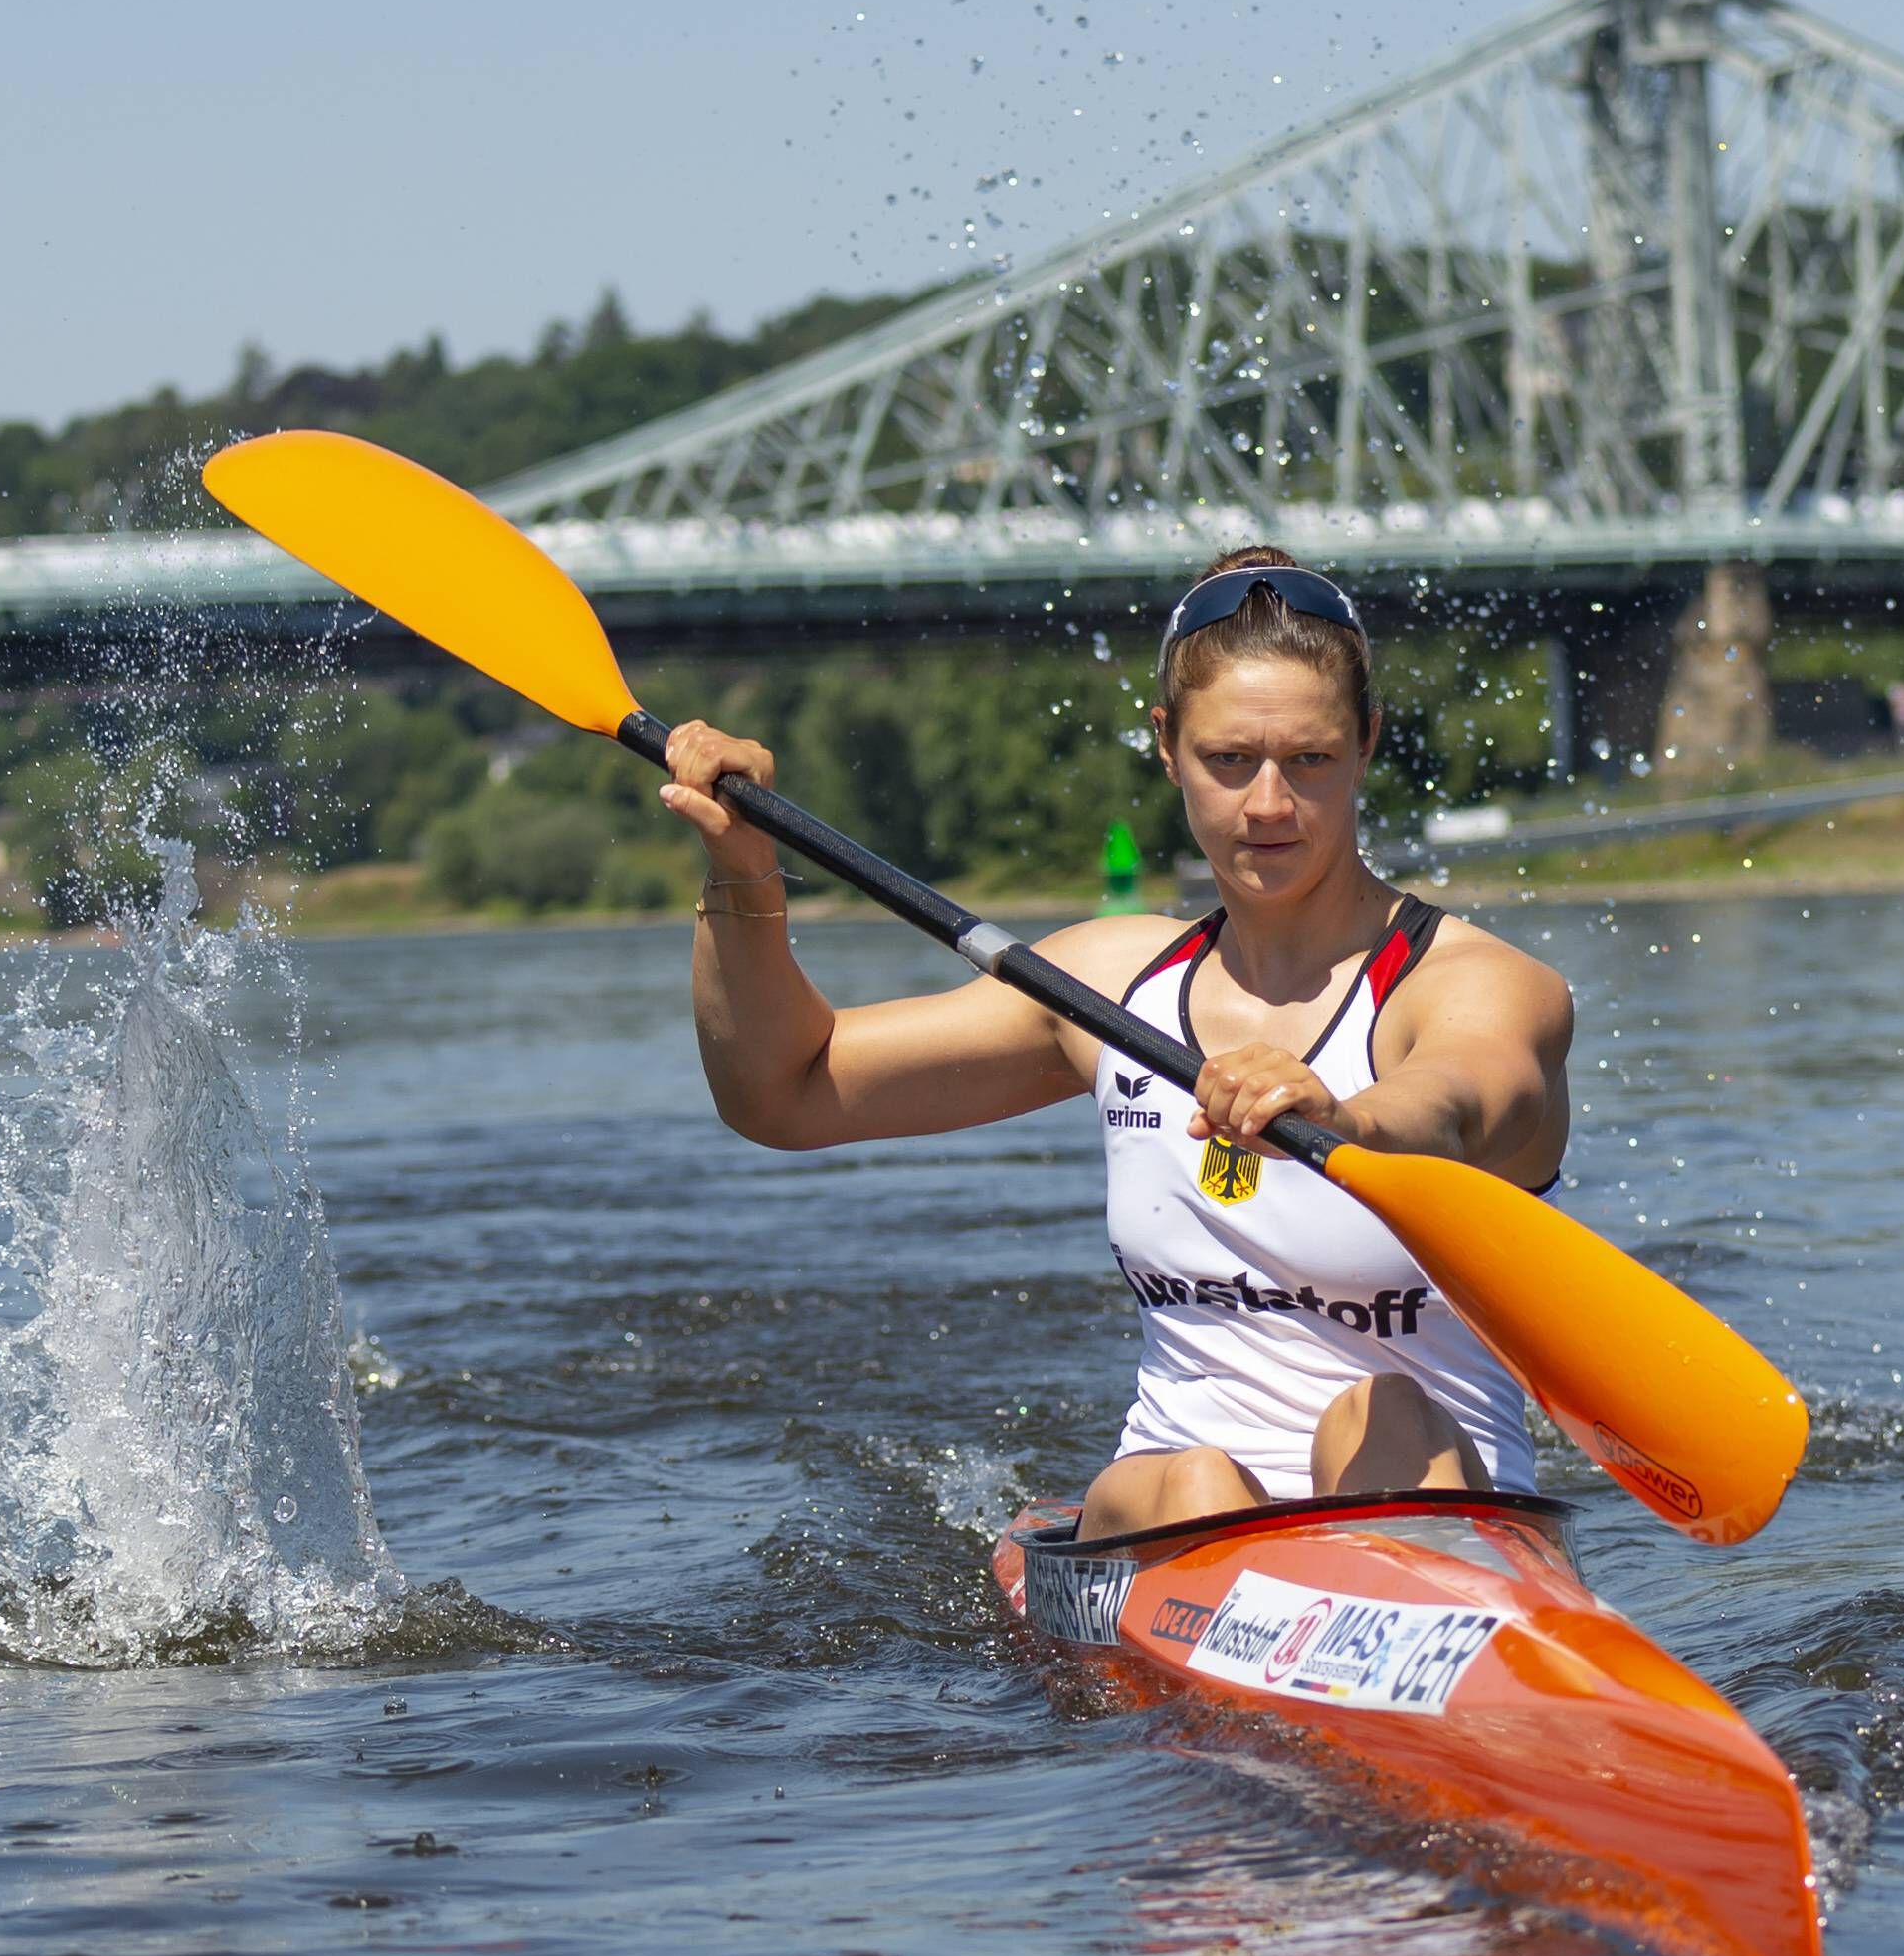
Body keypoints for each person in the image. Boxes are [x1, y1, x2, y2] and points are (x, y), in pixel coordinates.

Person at [658, 548, 1575, 1541]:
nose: (1269, 803)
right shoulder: (1109, 986)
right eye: (1229, 760)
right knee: (1196, 1481)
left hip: (1432, 1501)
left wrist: (1346, 1121)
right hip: (1180, 1505)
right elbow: (782, 1091)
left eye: (1309, 759)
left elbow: (1464, 1098)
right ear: (1167, 744)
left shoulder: (1476, 982)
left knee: (1385, 1410)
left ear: (1366, 744)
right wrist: (743, 868)